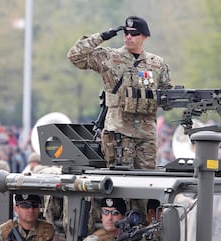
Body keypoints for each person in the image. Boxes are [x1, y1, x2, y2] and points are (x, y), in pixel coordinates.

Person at [68, 16, 172, 169]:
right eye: (126, 33)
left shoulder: (157, 64)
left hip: (146, 134)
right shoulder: (109, 57)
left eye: (134, 33)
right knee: (121, 180)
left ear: (144, 36)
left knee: (148, 182)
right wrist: (102, 36)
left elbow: (167, 95)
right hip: (119, 131)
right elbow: (75, 56)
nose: (128, 36)